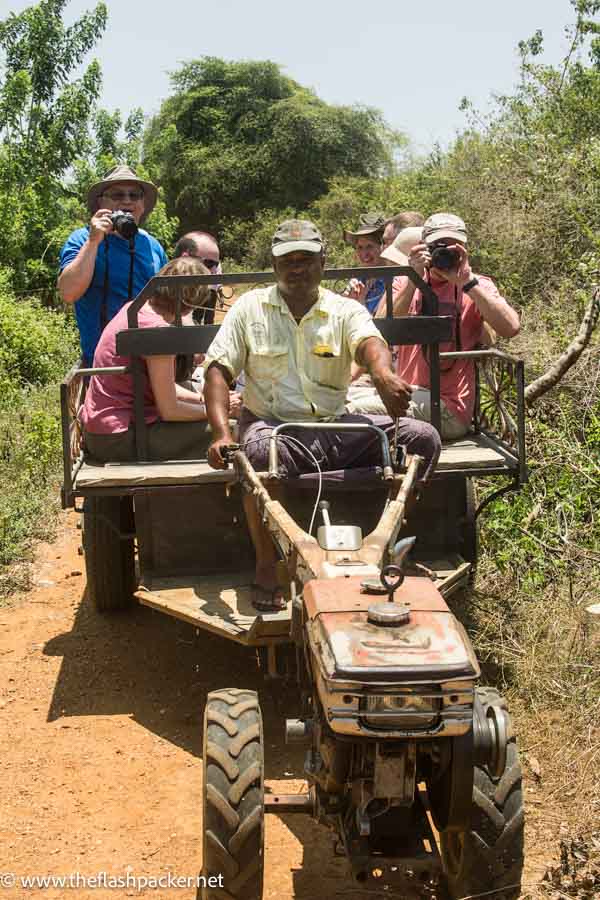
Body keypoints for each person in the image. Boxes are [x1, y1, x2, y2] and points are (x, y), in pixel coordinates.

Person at [203, 219, 441, 611]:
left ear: (323, 263)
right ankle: (267, 563)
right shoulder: (250, 308)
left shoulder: (344, 310)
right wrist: (220, 433)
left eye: (307, 259)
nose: (297, 268)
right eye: (288, 260)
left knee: (423, 439)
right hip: (278, 429)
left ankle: (390, 544)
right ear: (275, 266)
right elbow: (218, 370)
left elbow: (370, 344)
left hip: (336, 428)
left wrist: (382, 375)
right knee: (258, 454)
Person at [381, 213, 520, 439]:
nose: (443, 254)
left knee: (354, 409)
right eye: (437, 246)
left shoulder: (478, 285)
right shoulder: (407, 280)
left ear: (464, 249)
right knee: (347, 399)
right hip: (409, 395)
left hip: (447, 407)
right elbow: (379, 326)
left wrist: (467, 283)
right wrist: (413, 278)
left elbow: (511, 328)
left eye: (452, 248)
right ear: (423, 247)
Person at [81, 256, 220, 463]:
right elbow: (170, 410)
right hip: (120, 437)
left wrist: (205, 399)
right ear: (192, 303)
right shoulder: (158, 332)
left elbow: (165, 388)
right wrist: (218, 412)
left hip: (103, 431)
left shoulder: (135, 309)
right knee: (228, 432)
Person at [58, 165, 168, 365]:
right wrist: (93, 242)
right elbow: (68, 293)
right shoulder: (82, 239)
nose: (127, 200)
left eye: (134, 195)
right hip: (102, 365)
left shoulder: (153, 246)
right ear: (101, 202)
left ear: (142, 204)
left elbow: (170, 301)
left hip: (152, 362)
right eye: (117, 194)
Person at [173, 231, 222, 324]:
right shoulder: (158, 308)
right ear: (185, 259)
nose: (214, 271)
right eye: (209, 263)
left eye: (216, 264)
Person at [342, 212, 387, 312]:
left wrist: (359, 304)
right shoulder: (358, 280)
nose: (364, 254)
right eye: (360, 247)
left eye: (369, 247)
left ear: (383, 246)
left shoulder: (392, 281)